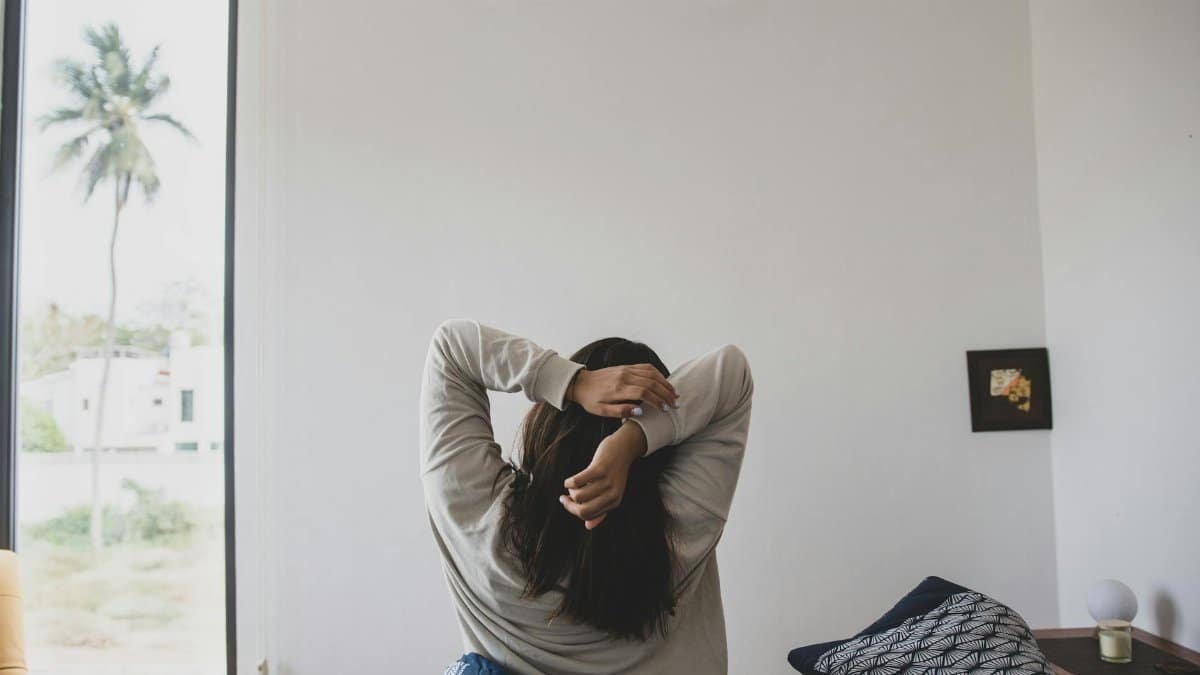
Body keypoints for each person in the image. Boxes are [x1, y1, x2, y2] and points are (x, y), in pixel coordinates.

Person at [422, 320, 753, 675]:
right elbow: (731, 372)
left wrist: (573, 383)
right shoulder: (683, 527)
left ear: (550, 423)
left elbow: (453, 348)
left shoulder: (479, 522)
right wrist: (629, 443)